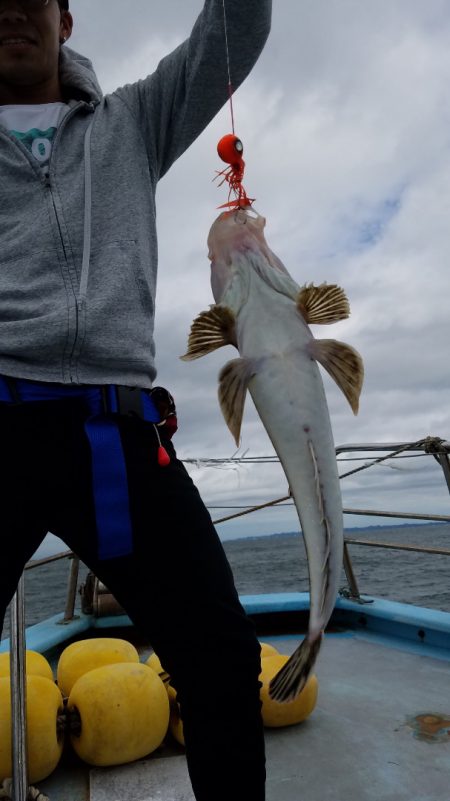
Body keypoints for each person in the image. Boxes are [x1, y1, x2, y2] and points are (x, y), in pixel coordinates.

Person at [0, 1, 271, 799]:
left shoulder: (135, 118)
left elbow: (236, 29)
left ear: (66, 20)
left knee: (221, 656)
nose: (13, 11)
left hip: (118, 434)